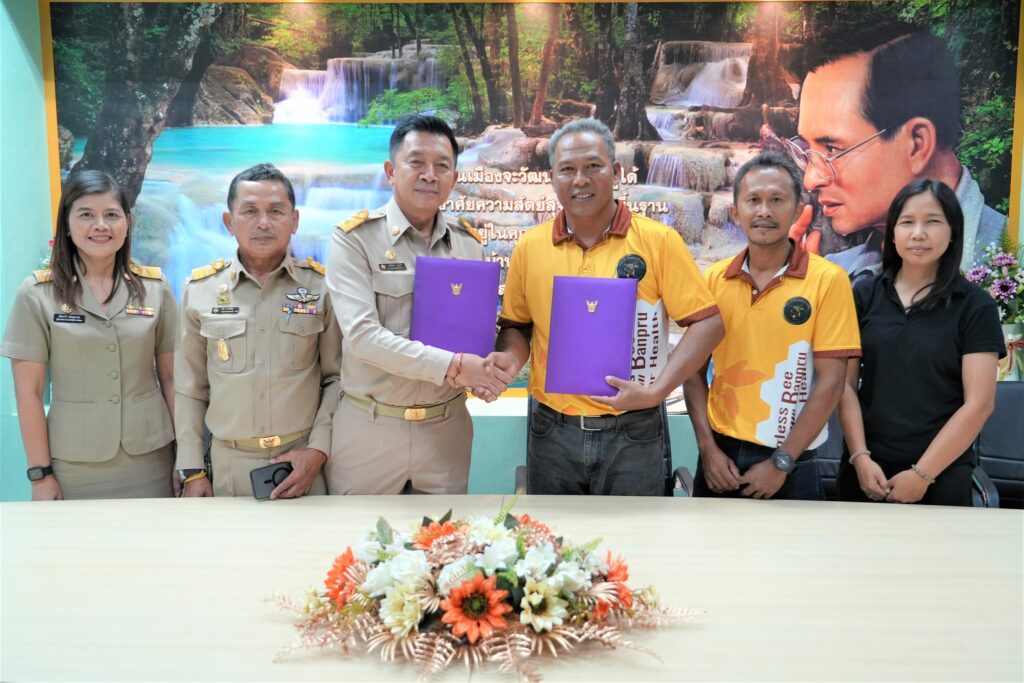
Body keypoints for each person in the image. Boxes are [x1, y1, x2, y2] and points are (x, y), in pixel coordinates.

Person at [492, 118, 724, 496]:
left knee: (634, 533)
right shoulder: (530, 247)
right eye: (567, 169)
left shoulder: (658, 241)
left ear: (616, 172)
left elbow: (708, 325)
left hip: (635, 429)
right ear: (551, 178)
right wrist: (509, 361)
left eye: (593, 167)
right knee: (557, 533)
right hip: (552, 430)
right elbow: (517, 326)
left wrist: (657, 392)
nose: (580, 180)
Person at [326, 114, 505, 495]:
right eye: (417, 162)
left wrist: (489, 373)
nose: (429, 175)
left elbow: (476, 333)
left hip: (446, 431)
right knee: (356, 533)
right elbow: (362, 337)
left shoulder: (468, 244)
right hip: (370, 429)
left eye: (442, 166)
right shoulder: (354, 239)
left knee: (445, 532)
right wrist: (457, 366)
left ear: (455, 178)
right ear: (391, 172)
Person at [683, 152, 861, 501]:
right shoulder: (714, 279)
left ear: (798, 211)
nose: (764, 211)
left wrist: (782, 462)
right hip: (720, 461)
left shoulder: (828, 281)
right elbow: (692, 372)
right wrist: (707, 448)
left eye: (777, 200)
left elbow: (832, 382)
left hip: (794, 462)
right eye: (753, 200)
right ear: (735, 213)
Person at [1, 170, 177, 500]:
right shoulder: (37, 294)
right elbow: (29, 392)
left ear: (127, 222)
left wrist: (188, 464)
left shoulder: (156, 288)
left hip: (152, 459)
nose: (100, 225)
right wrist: (40, 475)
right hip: (73, 466)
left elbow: (172, 380)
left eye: (111, 215)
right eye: (86, 215)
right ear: (67, 225)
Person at [788, 23, 1006, 282]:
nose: (810, 180)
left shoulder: (1011, 257)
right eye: (807, 151)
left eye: (832, 149)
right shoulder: (832, 274)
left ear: (917, 144)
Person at [175, 163, 340, 498]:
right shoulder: (200, 290)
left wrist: (318, 450)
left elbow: (336, 378)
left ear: (294, 221)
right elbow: (190, 388)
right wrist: (192, 471)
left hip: (302, 463)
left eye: (276, 211)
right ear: (228, 222)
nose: (263, 223)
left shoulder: (322, 288)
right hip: (227, 465)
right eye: (249, 211)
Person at [837, 180, 1004, 506]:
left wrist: (922, 474)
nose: (918, 233)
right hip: (866, 471)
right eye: (907, 222)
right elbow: (844, 386)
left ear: (953, 231)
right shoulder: (864, 295)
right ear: (892, 233)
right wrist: (860, 457)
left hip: (942, 473)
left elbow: (979, 403)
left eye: (932, 221)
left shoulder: (974, 305)